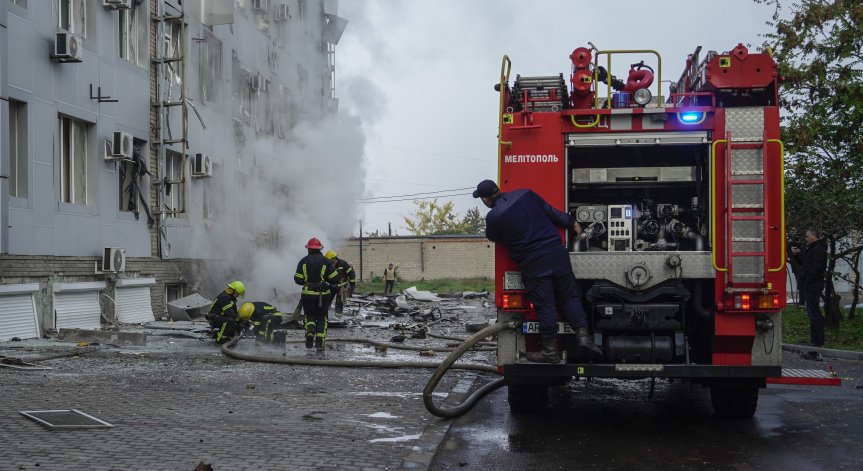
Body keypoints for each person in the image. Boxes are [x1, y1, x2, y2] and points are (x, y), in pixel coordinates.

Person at [473, 179, 602, 362]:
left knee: (546, 305)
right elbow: (551, 213)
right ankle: (584, 338)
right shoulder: (526, 193)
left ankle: (550, 351)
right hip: (557, 253)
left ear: (485, 200)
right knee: (569, 297)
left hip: (534, 262)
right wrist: (572, 222)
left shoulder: (494, 217)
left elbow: (493, 237)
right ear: (499, 189)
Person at [294, 237, 340, 351]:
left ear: (308, 249)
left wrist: (307, 281)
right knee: (321, 318)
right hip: (323, 295)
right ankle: (320, 343)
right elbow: (334, 279)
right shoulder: (326, 261)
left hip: (307, 295)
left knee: (309, 315)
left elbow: (298, 280)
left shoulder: (303, 261)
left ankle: (310, 330)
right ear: (320, 249)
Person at [790, 229, 828, 347]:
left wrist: (808, 280)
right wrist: (797, 255)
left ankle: (817, 341)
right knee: (813, 312)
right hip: (811, 283)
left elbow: (816, 268)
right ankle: (816, 340)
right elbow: (806, 263)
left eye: (807, 236)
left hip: (813, 284)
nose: (805, 238)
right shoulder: (812, 249)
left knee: (813, 313)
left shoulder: (818, 249)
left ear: (813, 236)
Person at [325, 250, 356, 317]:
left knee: (339, 302)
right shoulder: (328, 265)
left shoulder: (343, 263)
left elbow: (351, 273)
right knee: (327, 300)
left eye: (329, 260)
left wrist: (352, 284)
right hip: (332, 286)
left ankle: (338, 317)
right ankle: (325, 315)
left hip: (342, 287)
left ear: (333, 258)